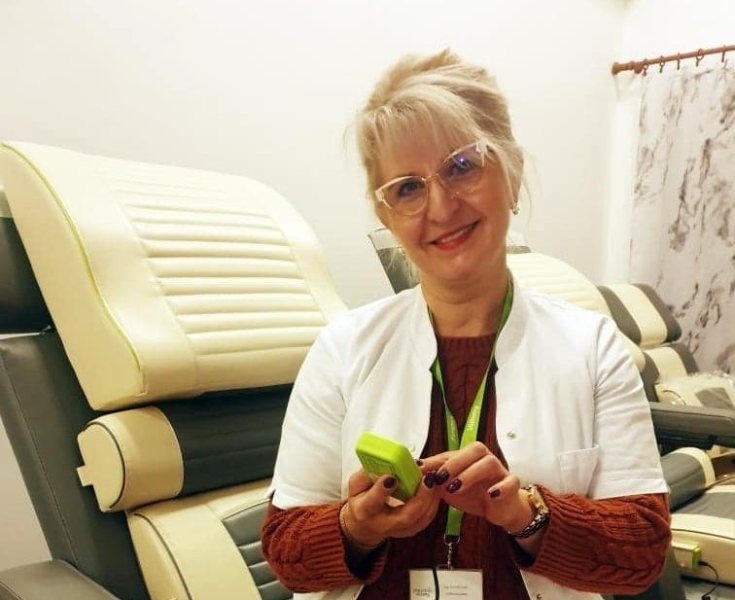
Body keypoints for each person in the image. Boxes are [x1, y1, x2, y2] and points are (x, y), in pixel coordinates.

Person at [261, 49, 671, 600]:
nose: (440, 207)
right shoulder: (342, 349)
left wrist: (525, 512)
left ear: (513, 173)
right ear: (386, 217)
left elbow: (642, 551)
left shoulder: (595, 348)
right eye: (407, 188)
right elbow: (286, 554)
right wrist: (356, 526)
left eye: (461, 166)